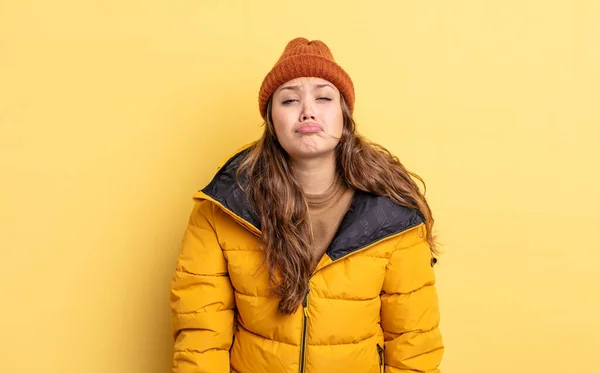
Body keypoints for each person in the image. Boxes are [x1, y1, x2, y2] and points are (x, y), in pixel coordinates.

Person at [170, 37, 444, 373]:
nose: (308, 110)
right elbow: (201, 336)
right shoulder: (223, 206)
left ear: (344, 116)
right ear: (272, 121)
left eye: (324, 97)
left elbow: (413, 341)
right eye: (289, 100)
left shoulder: (393, 212)